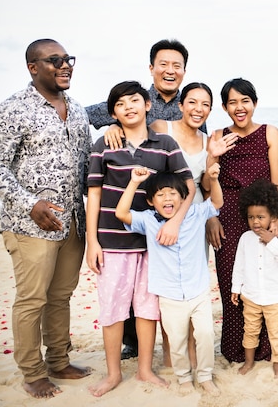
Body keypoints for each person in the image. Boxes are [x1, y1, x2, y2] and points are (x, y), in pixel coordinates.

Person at [0, 39, 92, 398]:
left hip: (72, 223)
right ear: (33, 67)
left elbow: (86, 167)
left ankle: (59, 361)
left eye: (67, 60)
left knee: (61, 296)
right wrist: (31, 203)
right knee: (32, 299)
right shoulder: (12, 109)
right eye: (54, 60)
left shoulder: (78, 110)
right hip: (29, 225)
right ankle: (33, 373)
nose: (65, 66)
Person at [86, 39, 199, 360]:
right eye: (163, 64)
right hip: (120, 222)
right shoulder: (133, 98)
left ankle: (169, 352)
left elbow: (192, 157)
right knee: (122, 294)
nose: (170, 70)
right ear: (152, 67)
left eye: (176, 65)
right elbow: (83, 114)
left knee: (158, 292)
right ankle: (132, 345)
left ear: (184, 71)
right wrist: (111, 125)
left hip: (165, 215)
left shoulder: (188, 104)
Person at [150, 82, 236, 367]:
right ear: (181, 104)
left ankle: (190, 349)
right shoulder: (162, 128)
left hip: (196, 218)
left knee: (192, 284)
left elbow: (207, 185)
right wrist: (113, 128)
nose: (198, 109)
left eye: (205, 105)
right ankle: (170, 351)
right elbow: (137, 141)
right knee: (169, 285)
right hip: (166, 216)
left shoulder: (207, 140)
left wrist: (211, 217)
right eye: (193, 102)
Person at [115, 167, 222, 396]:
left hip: (198, 290)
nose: (167, 198)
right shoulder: (148, 220)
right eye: (161, 194)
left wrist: (213, 179)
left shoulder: (195, 214)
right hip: (169, 295)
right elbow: (122, 213)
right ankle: (183, 377)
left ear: (183, 198)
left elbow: (217, 202)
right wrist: (134, 182)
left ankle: (204, 375)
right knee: (177, 340)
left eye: (173, 193)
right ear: (151, 201)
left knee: (205, 334)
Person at [205, 78, 278, 363]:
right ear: (225, 107)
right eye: (232, 102)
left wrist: (276, 218)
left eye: (245, 101)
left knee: (264, 280)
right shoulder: (216, 136)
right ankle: (234, 348)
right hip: (227, 216)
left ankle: (265, 349)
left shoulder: (269, 134)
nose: (239, 108)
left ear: (254, 103)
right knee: (232, 284)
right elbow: (207, 184)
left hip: (261, 217)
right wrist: (211, 218)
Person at [231, 179, 278, 377]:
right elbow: (239, 265)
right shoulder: (245, 239)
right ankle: (249, 362)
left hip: (274, 298)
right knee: (250, 331)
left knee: (276, 334)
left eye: (260, 217)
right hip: (251, 296)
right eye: (251, 217)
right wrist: (235, 288)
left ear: (272, 216)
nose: (256, 222)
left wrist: (271, 242)